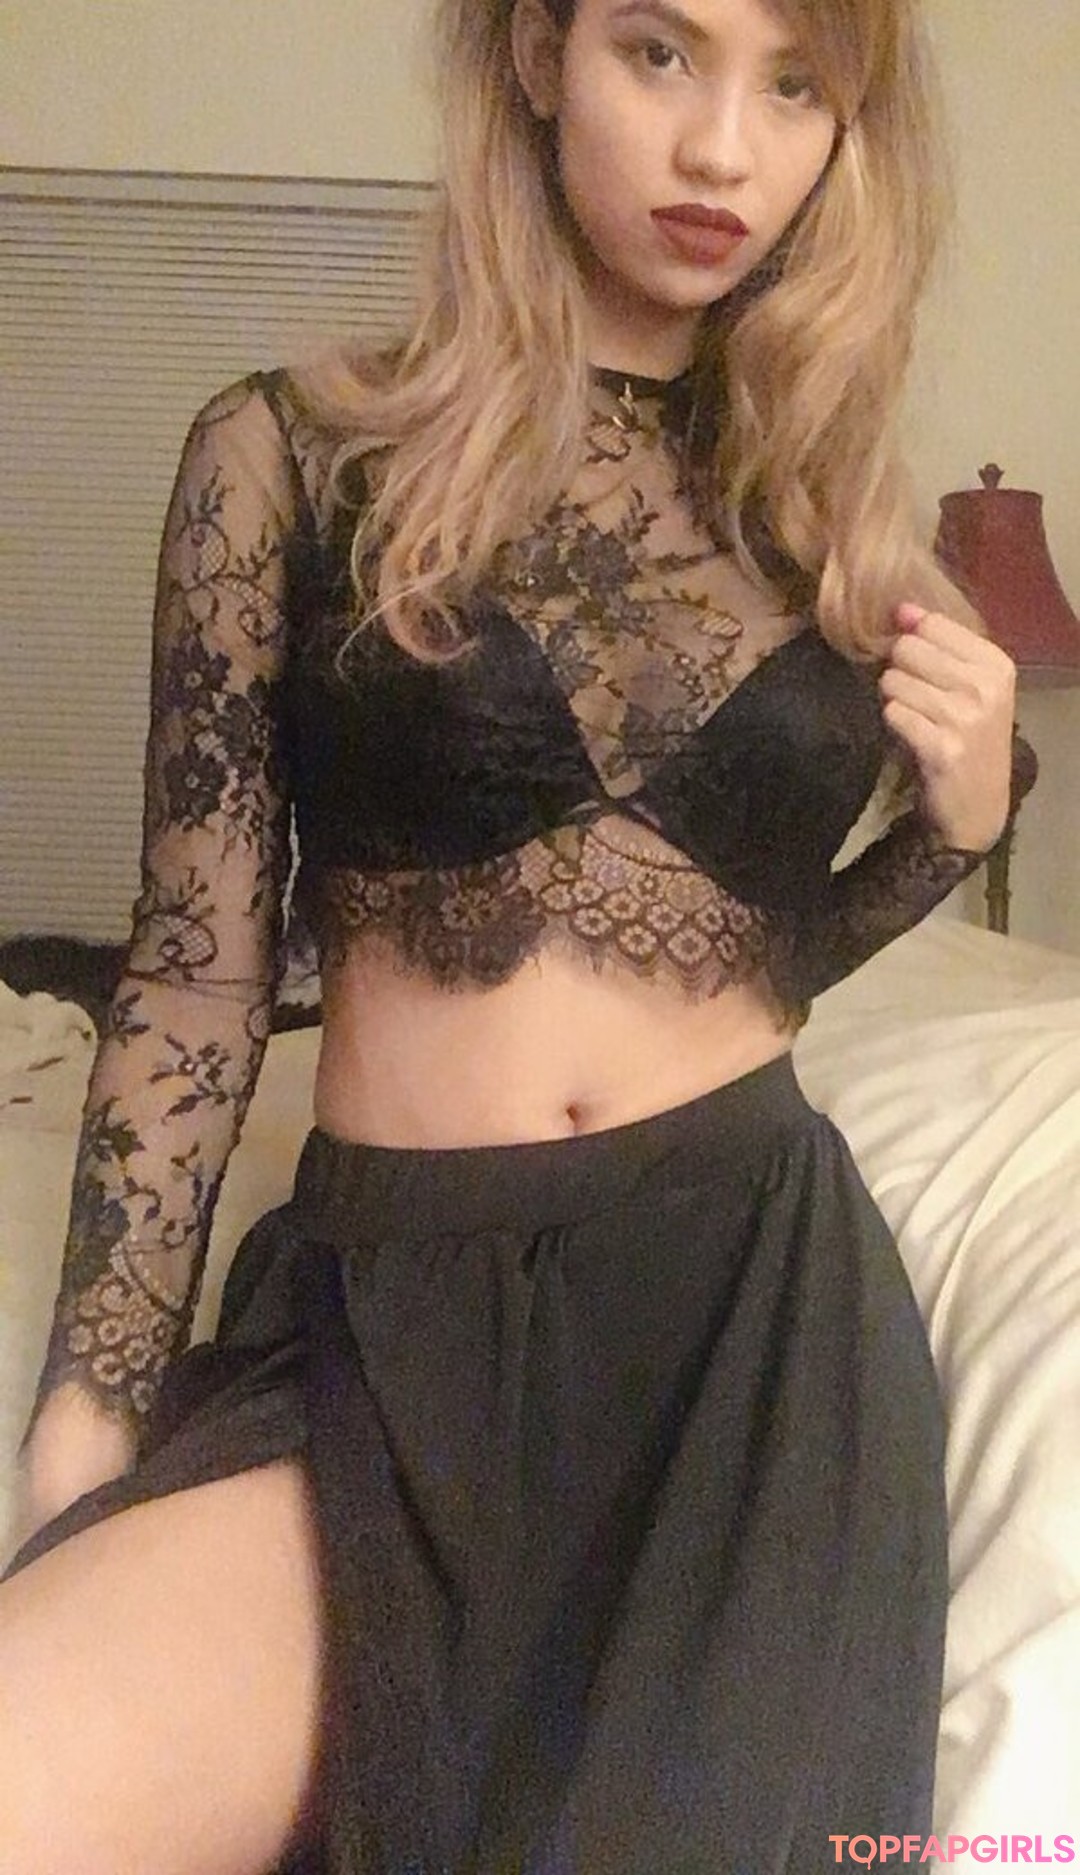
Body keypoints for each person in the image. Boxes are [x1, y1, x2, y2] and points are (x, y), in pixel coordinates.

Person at [0, 0, 1026, 1869]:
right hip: (391, 1313)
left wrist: (960, 829)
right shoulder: (291, 453)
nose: (723, 148)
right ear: (540, 57)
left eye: (796, 85)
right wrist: (88, 1408)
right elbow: (200, 970)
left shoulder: (823, 511)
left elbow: (747, 962)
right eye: (662, 50)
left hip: (746, 1333)